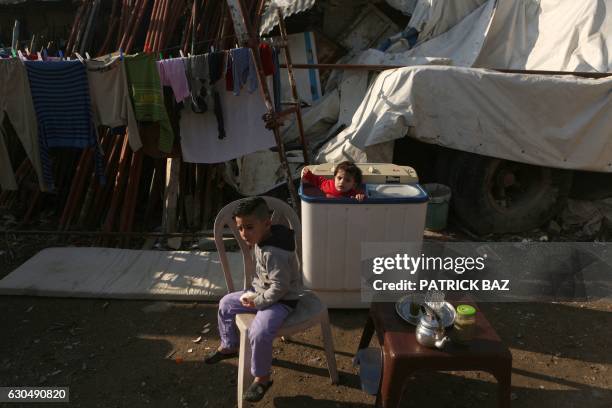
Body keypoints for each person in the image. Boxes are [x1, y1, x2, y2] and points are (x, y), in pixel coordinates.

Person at [205, 197, 303, 402]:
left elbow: (280, 287)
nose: (243, 233)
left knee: (259, 332)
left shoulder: (275, 251)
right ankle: (230, 345)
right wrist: (254, 295)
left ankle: (262, 377)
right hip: (260, 293)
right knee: (225, 304)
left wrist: (258, 302)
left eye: (248, 227)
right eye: (240, 228)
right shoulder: (262, 239)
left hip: (281, 301)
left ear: (266, 223)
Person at [301, 161, 366, 201]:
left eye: (347, 180)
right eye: (339, 178)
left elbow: (363, 196)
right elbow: (317, 180)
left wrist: (361, 196)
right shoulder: (328, 184)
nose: (342, 182)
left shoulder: (353, 194)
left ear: (354, 184)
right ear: (334, 177)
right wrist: (308, 174)